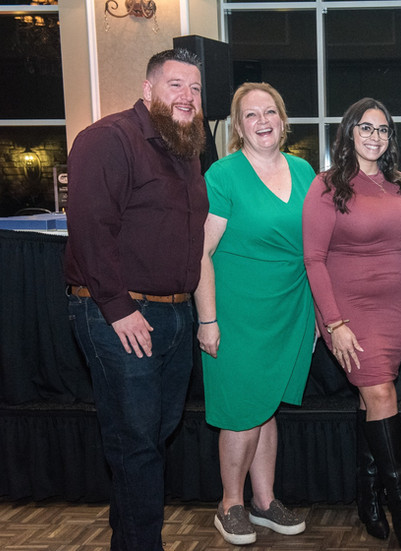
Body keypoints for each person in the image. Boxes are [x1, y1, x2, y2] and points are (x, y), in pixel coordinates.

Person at [64, 49, 209, 551]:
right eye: (175, 85)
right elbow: (88, 229)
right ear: (148, 90)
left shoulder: (185, 152)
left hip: (172, 314)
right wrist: (119, 308)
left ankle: (127, 540)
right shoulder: (108, 139)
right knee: (137, 445)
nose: (187, 97)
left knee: (151, 439)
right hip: (121, 314)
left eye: (194, 89)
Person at [193, 82, 316, 545]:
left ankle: (264, 501)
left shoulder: (305, 171)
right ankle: (231, 504)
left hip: (290, 309)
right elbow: (201, 253)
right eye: (250, 115)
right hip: (237, 314)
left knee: (266, 409)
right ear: (238, 127)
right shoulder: (222, 176)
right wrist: (207, 320)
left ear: (283, 121)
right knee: (241, 413)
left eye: (270, 112)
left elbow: (317, 247)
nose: (262, 121)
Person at [303, 98, 401, 551]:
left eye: (383, 129)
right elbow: (313, 259)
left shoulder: (399, 186)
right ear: (349, 133)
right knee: (380, 392)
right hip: (349, 311)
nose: (375, 136)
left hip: (394, 309)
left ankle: (369, 498)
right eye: (366, 127)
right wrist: (333, 322)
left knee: (370, 398)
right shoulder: (327, 185)